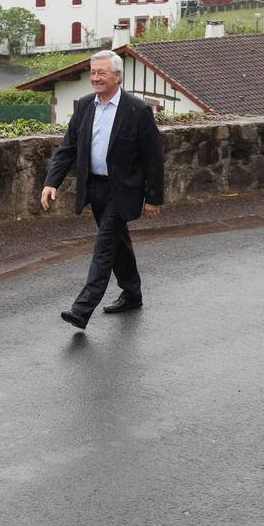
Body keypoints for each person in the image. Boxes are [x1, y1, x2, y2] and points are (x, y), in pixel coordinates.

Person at [41, 50, 164, 330]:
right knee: (118, 243)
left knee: (105, 247)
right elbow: (68, 148)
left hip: (124, 189)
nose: (95, 78)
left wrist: (153, 197)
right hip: (94, 187)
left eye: (101, 73)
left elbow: (153, 157)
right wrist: (51, 182)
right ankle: (132, 293)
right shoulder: (85, 105)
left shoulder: (137, 110)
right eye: (93, 72)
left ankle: (82, 309)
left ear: (117, 76)